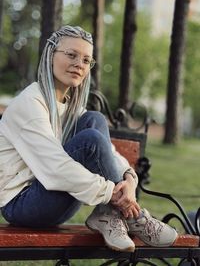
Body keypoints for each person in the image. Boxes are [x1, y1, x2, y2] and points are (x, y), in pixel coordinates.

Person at [0, 25, 177, 252]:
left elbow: (110, 153)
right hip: (23, 205)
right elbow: (55, 168)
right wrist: (111, 192)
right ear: (50, 55)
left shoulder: (73, 108)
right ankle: (133, 216)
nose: (79, 64)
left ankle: (109, 215)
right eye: (71, 55)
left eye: (86, 60)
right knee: (90, 139)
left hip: (52, 195)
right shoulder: (30, 103)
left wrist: (129, 179)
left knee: (94, 119)